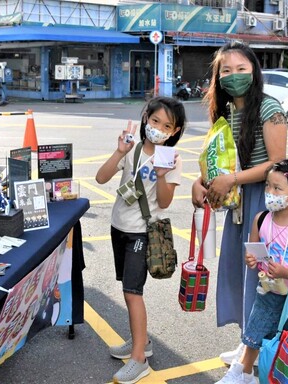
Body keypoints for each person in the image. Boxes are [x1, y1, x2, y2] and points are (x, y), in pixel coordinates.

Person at [191, 41, 288, 364]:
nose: (234, 76)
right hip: (236, 204)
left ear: (254, 71)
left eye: (241, 69)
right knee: (238, 272)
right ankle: (247, 339)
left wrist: (232, 179)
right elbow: (218, 159)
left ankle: (255, 353)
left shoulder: (269, 108)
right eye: (226, 70)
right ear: (218, 77)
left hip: (264, 205)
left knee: (261, 276)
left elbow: (277, 164)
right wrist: (201, 182)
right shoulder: (225, 110)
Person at [95, 97, 186, 384]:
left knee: (133, 292)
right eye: (155, 121)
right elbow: (101, 177)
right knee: (127, 287)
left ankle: (139, 359)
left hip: (142, 233)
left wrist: (161, 175)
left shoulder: (172, 158)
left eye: (166, 125)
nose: (158, 128)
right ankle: (141, 341)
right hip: (117, 227)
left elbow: (165, 201)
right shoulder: (132, 148)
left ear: (175, 130)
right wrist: (119, 150)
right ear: (146, 117)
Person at [215, 159, 288, 384]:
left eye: (277, 188)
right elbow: (252, 253)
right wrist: (251, 260)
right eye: (267, 186)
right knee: (255, 333)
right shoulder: (261, 219)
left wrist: (286, 272)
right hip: (267, 291)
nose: (270, 193)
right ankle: (242, 374)